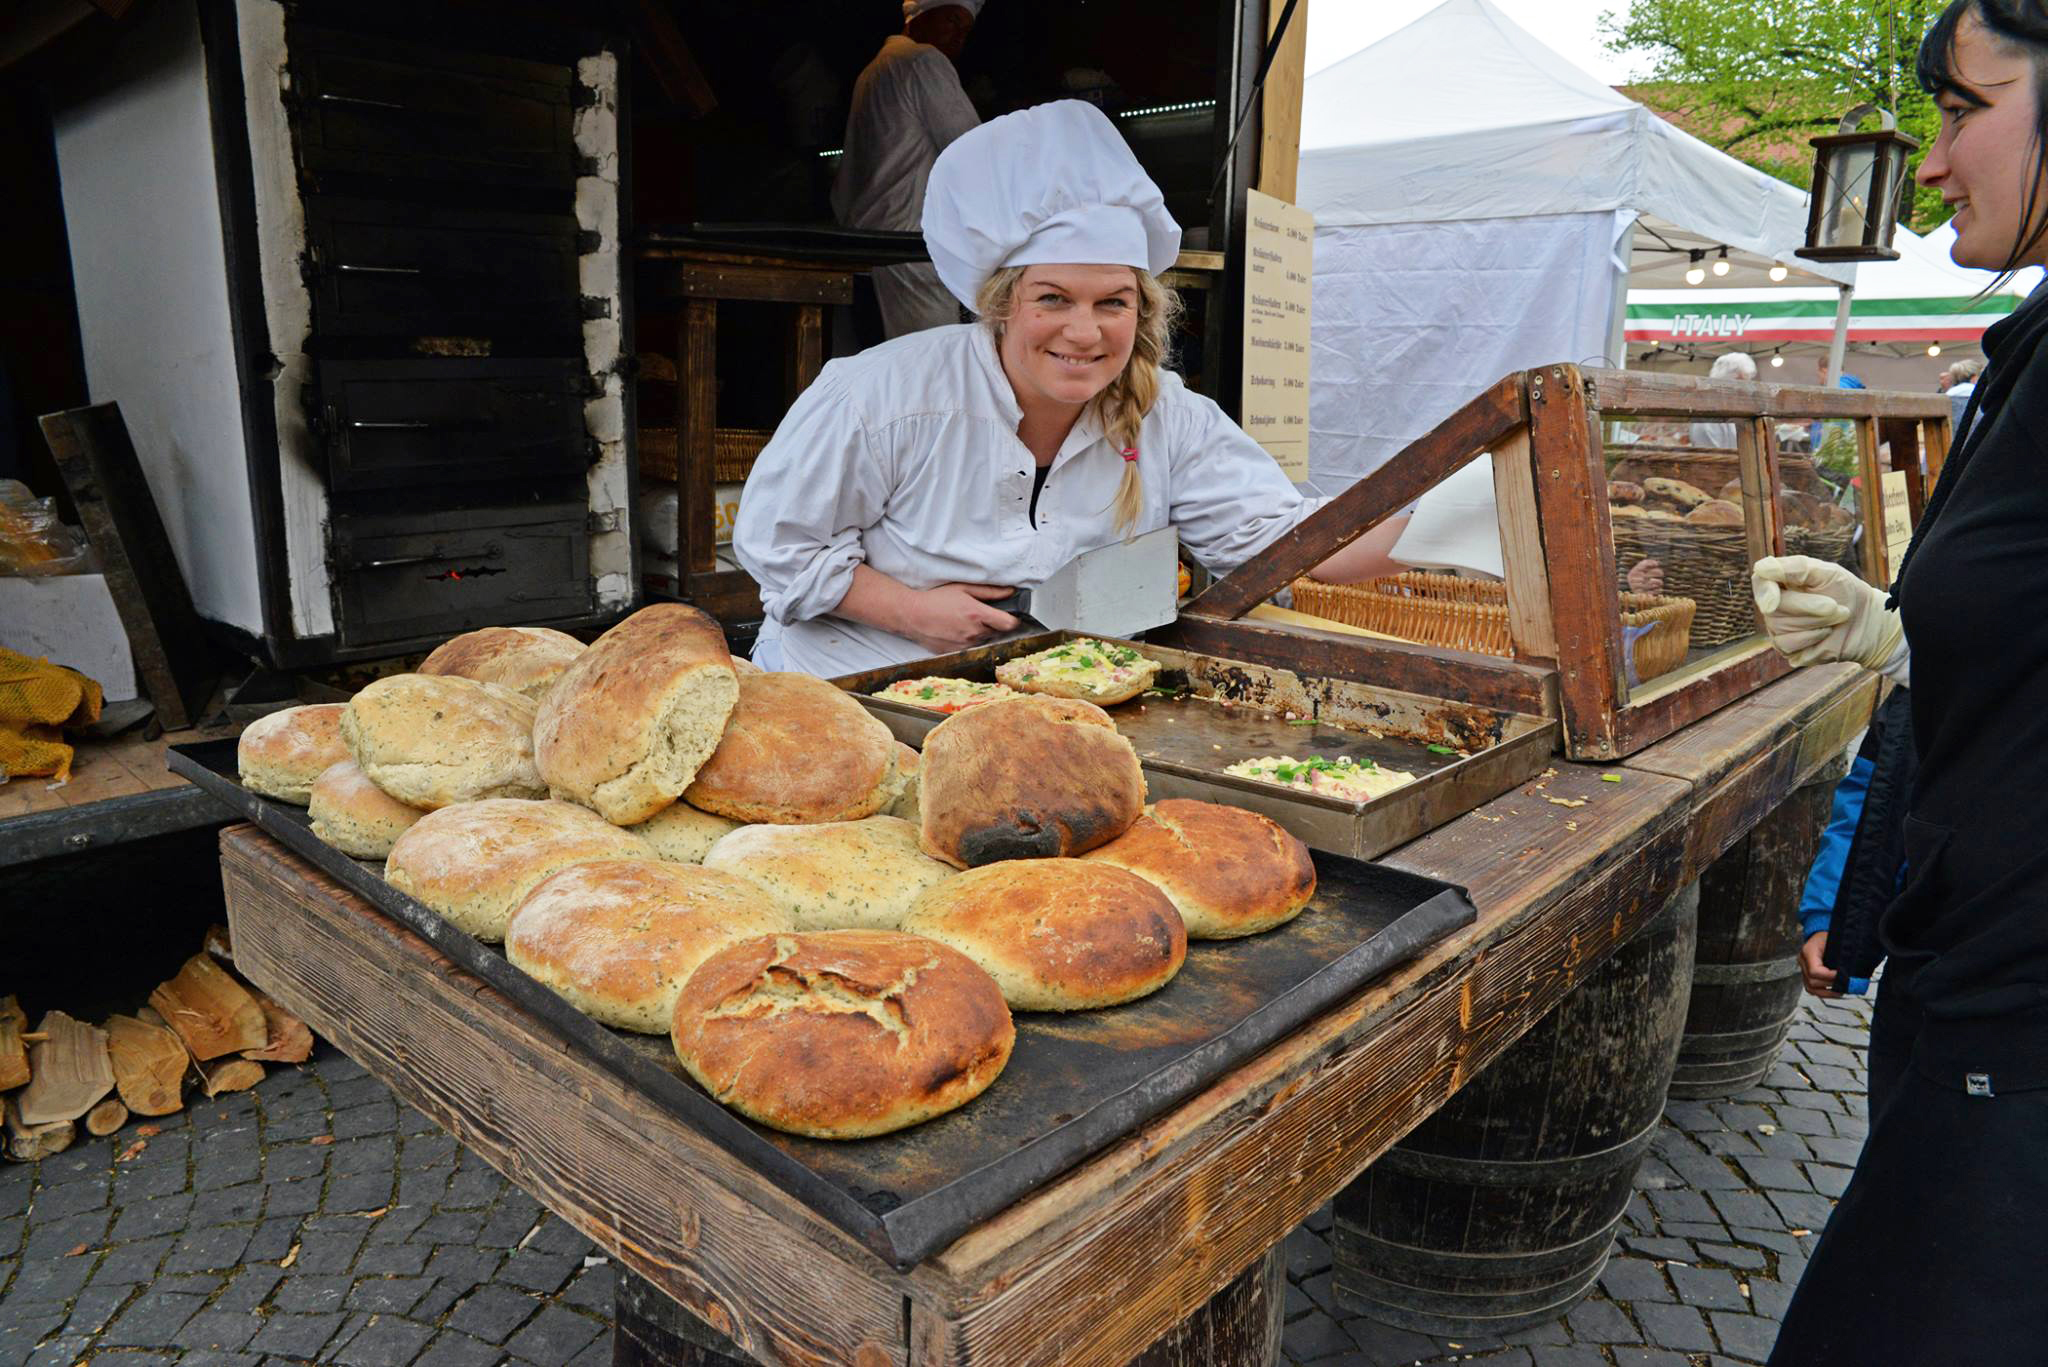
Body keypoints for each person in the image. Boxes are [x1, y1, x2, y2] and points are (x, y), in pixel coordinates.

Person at [1750, 2, 2048, 1359]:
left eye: (1962, 109)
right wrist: (1903, 638)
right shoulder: (2029, 352)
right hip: (1961, 979)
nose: (1930, 163)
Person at [737, 101, 1399, 675]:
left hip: (1036, 708)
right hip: (846, 696)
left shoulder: (1167, 419)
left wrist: (1455, 518)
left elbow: (1292, 545)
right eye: (1053, 298)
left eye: (1112, 302)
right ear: (1000, 303)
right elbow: (780, 546)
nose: (1084, 333)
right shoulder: (883, 398)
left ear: (1140, 311)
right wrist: (911, 611)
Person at [832, 0, 984, 339]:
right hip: (908, 252)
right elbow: (974, 154)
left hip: (864, 252)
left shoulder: (872, 71)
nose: (959, 35)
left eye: (966, 29)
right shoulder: (923, 61)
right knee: (926, 372)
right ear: (917, 18)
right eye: (952, 20)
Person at [1688, 351, 1757, 449]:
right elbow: (1710, 458)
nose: (1746, 390)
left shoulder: (1737, 412)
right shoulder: (1707, 417)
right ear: (1725, 382)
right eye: (1741, 383)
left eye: (1748, 383)